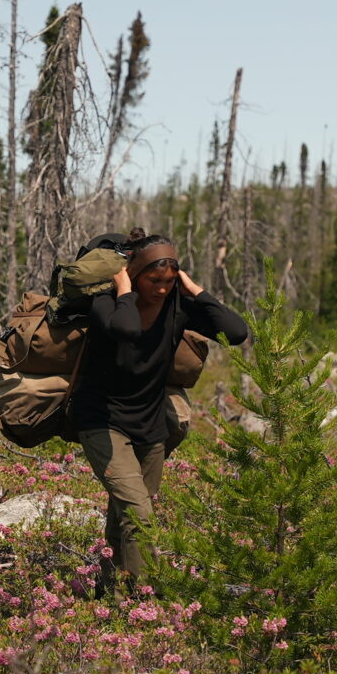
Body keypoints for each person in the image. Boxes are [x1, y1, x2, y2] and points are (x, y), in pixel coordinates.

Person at [71, 234, 249, 595]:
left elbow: (236, 332)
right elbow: (128, 330)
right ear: (133, 274)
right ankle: (147, 599)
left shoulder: (178, 305)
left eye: (170, 281)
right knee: (139, 514)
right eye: (154, 281)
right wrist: (123, 292)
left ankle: (109, 592)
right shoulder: (105, 302)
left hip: (149, 426)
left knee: (126, 515)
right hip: (101, 422)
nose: (163, 289)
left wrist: (196, 291)